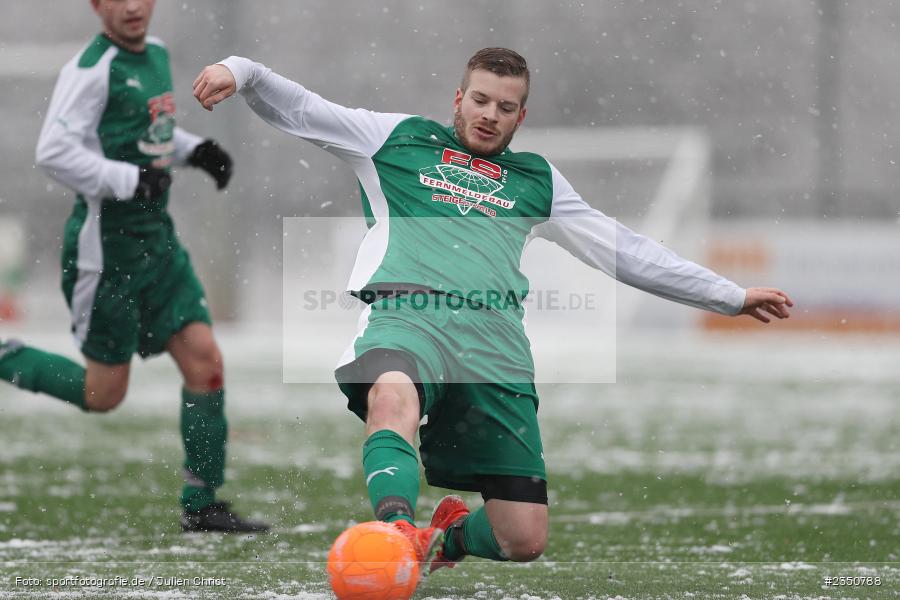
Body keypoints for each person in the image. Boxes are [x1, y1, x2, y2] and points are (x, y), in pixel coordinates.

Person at [191, 47, 791, 575]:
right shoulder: (395, 140)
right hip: (410, 316)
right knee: (391, 397)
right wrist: (239, 71)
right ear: (459, 97)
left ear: (520, 116)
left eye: (506, 107)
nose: (490, 115)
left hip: (495, 343)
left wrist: (728, 296)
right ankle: (397, 532)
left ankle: (442, 537)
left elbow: (625, 251)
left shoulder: (536, 181)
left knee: (523, 538)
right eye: (480, 100)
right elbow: (300, 108)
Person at [0, 0, 267, 533]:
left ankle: (202, 504)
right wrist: (128, 181)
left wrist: (196, 151)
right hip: (107, 255)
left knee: (205, 362)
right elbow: (53, 151)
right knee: (105, 394)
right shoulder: (89, 70)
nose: (131, 7)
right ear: (96, 5)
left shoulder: (159, 54)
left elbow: (152, 136)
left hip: (158, 247)